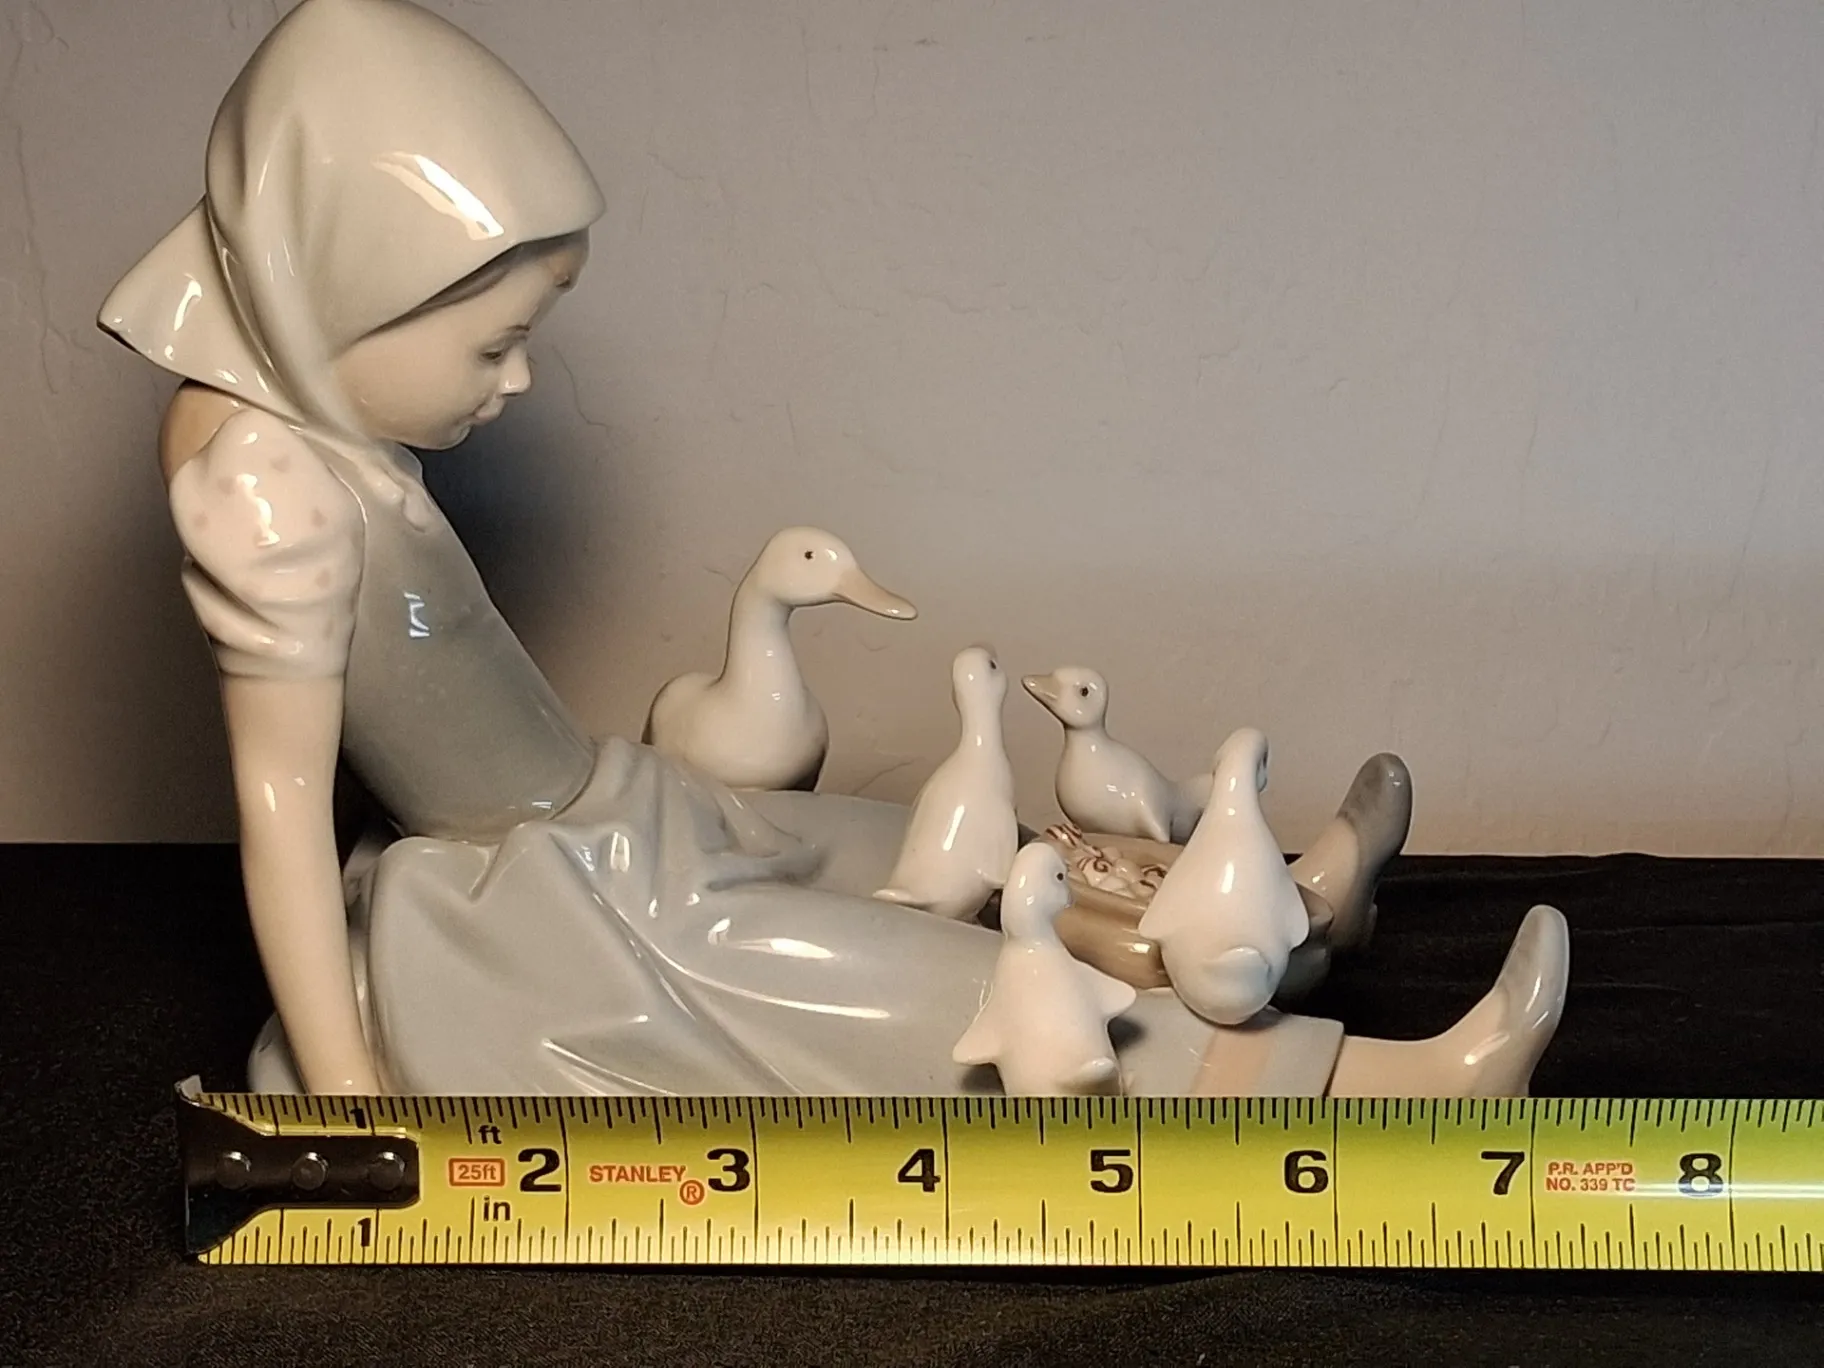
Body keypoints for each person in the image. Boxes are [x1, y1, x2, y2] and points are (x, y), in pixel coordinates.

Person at [99, 0, 1567, 1099]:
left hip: (616, 812)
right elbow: (280, 800)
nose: (522, 378)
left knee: (930, 847)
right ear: (332, 297)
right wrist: (349, 1106)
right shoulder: (266, 496)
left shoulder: (302, 422)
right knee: (931, 979)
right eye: (494, 344)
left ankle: (1282, 909)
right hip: (559, 903)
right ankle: (1362, 1084)